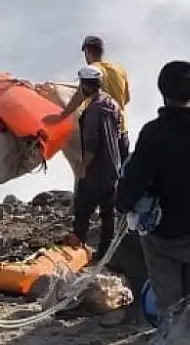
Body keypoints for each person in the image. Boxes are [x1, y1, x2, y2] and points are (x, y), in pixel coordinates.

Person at [115, 60, 190, 315]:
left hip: (163, 238)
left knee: (170, 306)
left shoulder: (153, 134)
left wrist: (122, 203)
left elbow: (135, 180)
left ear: (162, 91)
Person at [65, 65, 123, 263]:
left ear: (87, 86)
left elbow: (92, 143)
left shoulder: (92, 111)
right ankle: (106, 254)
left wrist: (83, 167)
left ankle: (76, 251)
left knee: (82, 212)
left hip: (95, 170)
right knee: (109, 214)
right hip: (113, 168)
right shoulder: (112, 104)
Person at [47, 35, 131, 159]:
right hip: (122, 131)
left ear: (87, 52)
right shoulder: (119, 70)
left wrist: (61, 117)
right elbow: (127, 98)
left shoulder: (92, 71)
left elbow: (78, 96)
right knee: (121, 172)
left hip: (104, 134)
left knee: (99, 174)